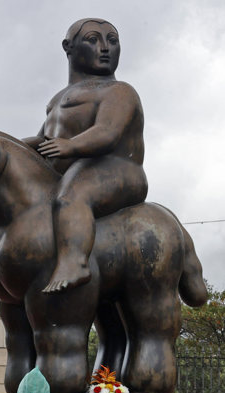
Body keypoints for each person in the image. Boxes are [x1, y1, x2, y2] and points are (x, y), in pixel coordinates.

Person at [24, 18, 147, 293]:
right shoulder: (58, 99)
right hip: (73, 173)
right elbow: (44, 140)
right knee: (28, 202)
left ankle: (75, 262)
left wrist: (70, 147)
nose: (105, 48)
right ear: (69, 47)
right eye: (93, 40)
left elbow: (107, 132)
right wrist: (8, 147)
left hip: (117, 171)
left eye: (112, 41)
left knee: (70, 196)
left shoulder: (119, 91)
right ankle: (17, 268)